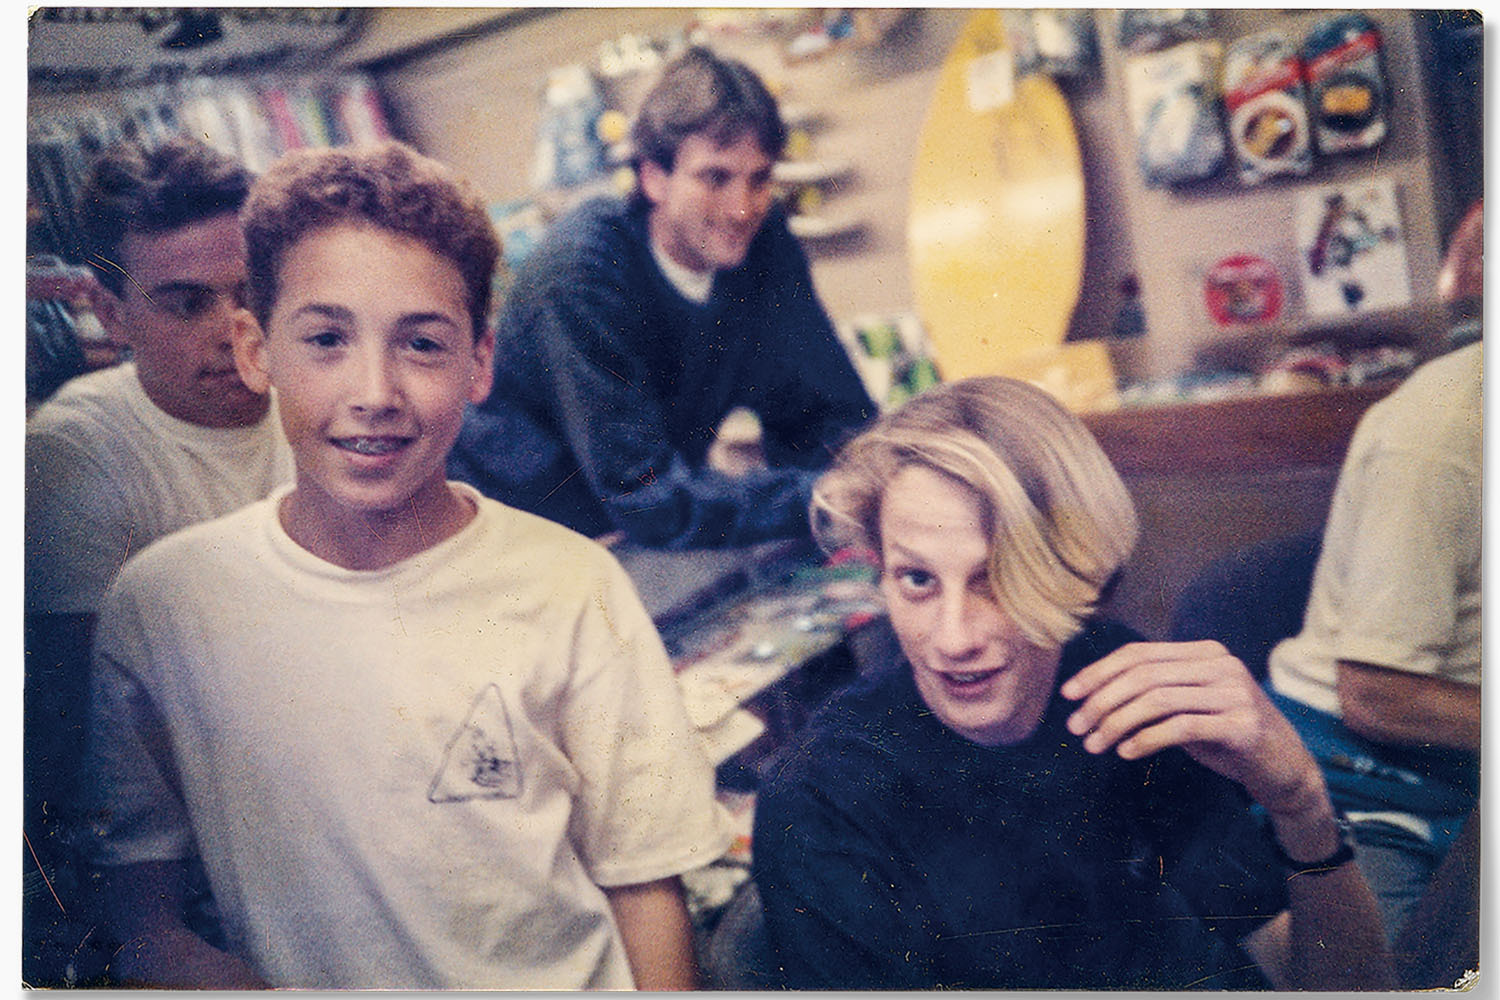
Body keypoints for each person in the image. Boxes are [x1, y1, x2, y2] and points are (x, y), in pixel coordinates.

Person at [82, 142, 730, 989]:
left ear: (480, 362)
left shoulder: (573, 586)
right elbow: (143, 921)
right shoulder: (166, 607)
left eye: (422, 344)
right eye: (326, 339)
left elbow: (644, 888)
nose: (375, 392)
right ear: (255, 349)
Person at [752, 377, 1393, 990]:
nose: (953, 639)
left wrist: (1301, 804)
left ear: (1076, 572)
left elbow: (1327, 983)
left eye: (997, 578)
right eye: (917, 580)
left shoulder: (1123, 689)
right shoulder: (822, 800)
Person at [24, 136, 293, 984]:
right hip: (190, 864)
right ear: (112, 316)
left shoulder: (320, 393)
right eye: (185, 304)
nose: (231, 330)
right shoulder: (74, 457)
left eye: (249, 294)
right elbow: (96, 749)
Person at [449, 45, 874, 548]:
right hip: (511, 533)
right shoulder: (582, 273)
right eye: (715, 177)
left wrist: (857, 482)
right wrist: (817, 500)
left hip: (629, 522)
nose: (742, 208)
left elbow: (828, 414)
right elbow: (644, 498)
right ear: (653, 177)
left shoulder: (764, 244)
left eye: (759, 179)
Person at [1265, 204, 1481, 942]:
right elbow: (1377, 696)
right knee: (1393, 976)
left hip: (1463, 759)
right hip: (1362, 772)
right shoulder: (1442, 434)